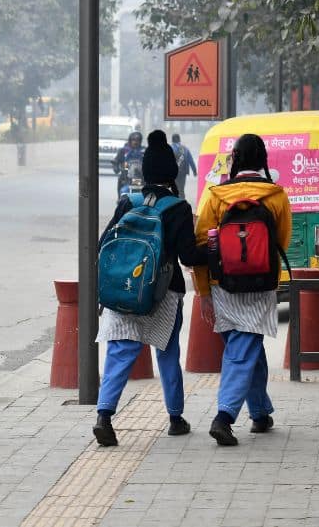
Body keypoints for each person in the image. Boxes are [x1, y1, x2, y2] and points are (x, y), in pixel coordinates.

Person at [93, 130, 205, 447]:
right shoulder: (178, 208)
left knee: (120, 353)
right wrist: (211, 251)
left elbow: (104, 245)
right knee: (167, 353)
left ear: (144, 170)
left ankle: (104, 416)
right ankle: (175, 417)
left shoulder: (128, 202)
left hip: (124, 291)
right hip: (163, 295)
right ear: (172, 172)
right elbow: (188, 256)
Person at [193, 133, 292, 446]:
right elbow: (282, 243)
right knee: (244, 350)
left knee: (246, 349)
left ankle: (261, 413)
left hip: (224, 286)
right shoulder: (276, 196)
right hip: (261, 286)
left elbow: (201, 247)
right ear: (263, 160)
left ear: (233, 159)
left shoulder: (214, 196)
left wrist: (204, 293)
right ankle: (224, 416)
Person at [114, 131, 145, 197]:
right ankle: (120, 199)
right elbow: (116, 160)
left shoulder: (145, 151)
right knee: (121, 181)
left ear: (140, 141)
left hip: (142, 176)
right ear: (130, 140)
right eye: (133, 140)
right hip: (126, 176)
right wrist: (116, 167)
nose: (135, 142)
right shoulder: (123, 150)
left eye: (138, 140)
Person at [171, 133, 197, 199]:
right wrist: (194, 171)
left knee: (174, 188)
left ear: (172, 140)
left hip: (173, 172)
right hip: (183, 172)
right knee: (181, 188)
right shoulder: (185, 149)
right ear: (179, 139)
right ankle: (182, 203)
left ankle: (175, 203)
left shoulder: (170, 148)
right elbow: (190, 160)